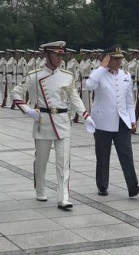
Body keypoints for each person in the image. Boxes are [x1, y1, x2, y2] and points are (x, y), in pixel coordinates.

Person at [11, 41, 88, 210]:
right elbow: (15, 92)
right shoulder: (35, 75)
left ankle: (64, 197)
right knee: (41, 161)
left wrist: (86, 115)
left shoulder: (67, 76)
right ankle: (40, 189)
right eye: (56, 54)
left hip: (62, 121)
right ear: (47, 55)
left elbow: (74, 98)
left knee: (63, 162)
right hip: (43, 122)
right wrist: (27, 110)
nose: (60, 58)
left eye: (61, 55)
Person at [85, 45, 139, 197]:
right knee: (103, 155)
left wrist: (132, 120)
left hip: (122, 121)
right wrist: (102, 67)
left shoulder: (125, 75)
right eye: (115, 58)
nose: (119, 61)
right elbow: (89, 85)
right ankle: (102, 186)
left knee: (126, 154)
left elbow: (129, 102)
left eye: (120, 58)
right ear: (108, 59)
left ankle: (133, 187)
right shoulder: (99, 74)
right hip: (103, 122)